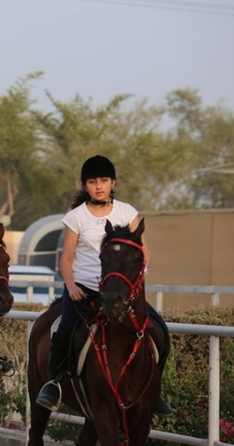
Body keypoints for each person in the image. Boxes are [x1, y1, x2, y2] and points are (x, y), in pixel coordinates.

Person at [35, 155, 173, 416]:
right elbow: (66, 258)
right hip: (84, 289)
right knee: (64, 330)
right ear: (85, 186)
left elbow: (145, 251)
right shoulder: (76, 217)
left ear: (113, 183)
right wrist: (71, 285)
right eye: (92, 181)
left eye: (104, 181)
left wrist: (138, 278)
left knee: (159, 330)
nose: (98, 186)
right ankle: (53, 384)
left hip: (121, 291)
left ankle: (155, 391)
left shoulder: (127, 212)